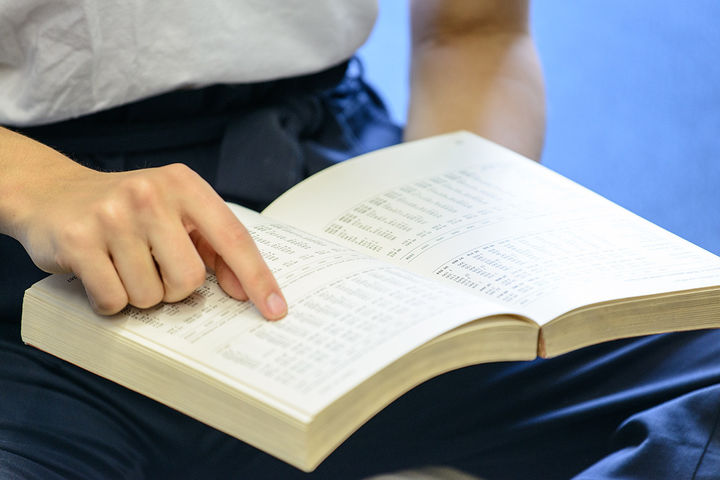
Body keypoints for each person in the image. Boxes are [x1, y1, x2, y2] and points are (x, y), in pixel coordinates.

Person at [1, 1, 719, 478]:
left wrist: (454, 257)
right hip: (35, 233)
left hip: (326, 174)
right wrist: (39, 186)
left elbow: (473, 31)